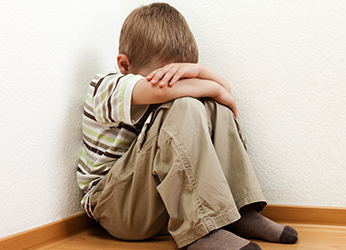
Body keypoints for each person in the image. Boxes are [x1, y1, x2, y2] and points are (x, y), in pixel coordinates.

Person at [77, 3, 298, 250]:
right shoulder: (105, 86)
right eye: (167, 77)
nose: (178, 82)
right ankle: (199, 231)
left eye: (182, 76)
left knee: (214, 106)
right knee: (187, 104)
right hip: (116, 207)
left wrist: (200, 71)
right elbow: (199, 92)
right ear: (125, 65)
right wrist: (215, 88)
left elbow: (220, 95)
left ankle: (239, 213)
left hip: (158, 204)